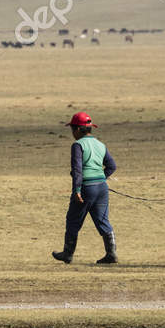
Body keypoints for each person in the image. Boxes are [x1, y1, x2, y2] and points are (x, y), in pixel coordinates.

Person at [53, 111, 118, 265]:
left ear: (77, 130)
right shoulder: (100, 144)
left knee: (73, 220)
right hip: (101, 188)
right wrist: (100, 177)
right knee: (102, 220)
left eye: (72, 130)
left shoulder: (78, 145)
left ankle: (68, 254)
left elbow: (77, 170)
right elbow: (112, 166)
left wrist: (77, 190)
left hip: (86, 188)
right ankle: (111, 253)